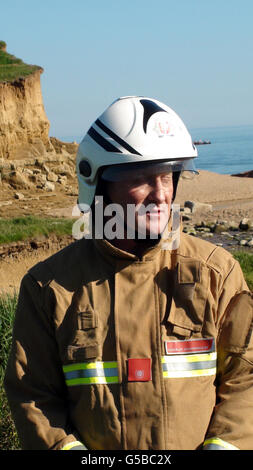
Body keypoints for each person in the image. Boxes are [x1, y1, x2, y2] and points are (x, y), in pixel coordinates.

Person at [4, 96, 253, 451]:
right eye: (142, 179)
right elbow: (33, 396)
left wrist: (226, 445)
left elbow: (245, 376)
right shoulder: (49, 287)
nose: (162, 195)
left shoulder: (216, 273)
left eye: (167, 177)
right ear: (99, 185)